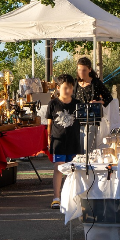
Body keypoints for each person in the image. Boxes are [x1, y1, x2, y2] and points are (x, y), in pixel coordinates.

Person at [48, 74, 81, 209]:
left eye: (71, 88)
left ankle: (73, 197)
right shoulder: (53, 104)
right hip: (59, 142)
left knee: (74, 169)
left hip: (74, 141)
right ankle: (56, 197)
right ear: (58, 87)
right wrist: (48, 139)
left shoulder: (78, 104)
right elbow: (49, 124)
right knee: (59, 168)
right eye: (65, 88)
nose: (68, 91)